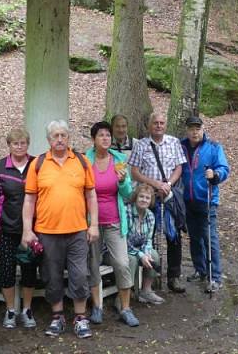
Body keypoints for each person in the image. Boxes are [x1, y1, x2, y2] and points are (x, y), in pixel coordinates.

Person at [21, 120, 99, 339]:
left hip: (77, 231)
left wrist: (93, 225)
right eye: (55, 136)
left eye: (63, 135)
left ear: (68, 137)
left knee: (80, 275)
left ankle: (80, 317)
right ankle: (57, 316)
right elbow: (29, 200)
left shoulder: (82, 162)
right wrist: (28, 230)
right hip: (47, 232)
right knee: (51, 276)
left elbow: (91, 195)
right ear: (48, 140)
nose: (59, 139)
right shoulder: (38, 164)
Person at [84, 121, 138, 327]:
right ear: (94, 139)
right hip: (92, 222)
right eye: (101, 135)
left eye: (108, 135)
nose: (106, 138)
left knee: (122, 263)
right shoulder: (85, 161)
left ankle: (125, 307)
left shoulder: (119, 159)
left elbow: (127, 194)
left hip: (115, 220)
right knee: (93, 263)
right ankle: (96, 306)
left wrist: (123, 181)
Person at [0, 127, 38, 330]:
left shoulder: (36, 165)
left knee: (29, 270)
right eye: (15, 143)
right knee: (6, 270)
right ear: (9, 145)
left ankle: (27, 310)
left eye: (23, 143)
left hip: (32, 230)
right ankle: (10, 310)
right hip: (6, 229)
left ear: (28, 144)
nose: (19, 146)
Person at [128, 112, 187, 293]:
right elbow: (135, 172)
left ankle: (174, 277)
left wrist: (168, 184)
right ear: (149, 125)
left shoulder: (174, 142)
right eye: (155, 123)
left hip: (169, 196)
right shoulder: (141, 145)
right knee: (149, 236)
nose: (159, 126)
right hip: (148, 196)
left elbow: (179, 167)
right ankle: (151, 278)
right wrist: (156, 184)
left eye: (162, 123)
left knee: (173, 236)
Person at [180, 116, 230, 293]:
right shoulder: (181, 146)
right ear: (187, 130)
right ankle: (200, 269)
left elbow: (224, 168)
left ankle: (214, 276)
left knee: (210, 238)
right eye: (192, 128)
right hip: (188, 200)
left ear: (203, 129)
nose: (195, 132)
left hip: (207, 200)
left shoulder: (213, 147)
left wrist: (215, 175)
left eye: (198, 128)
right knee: (194, 238)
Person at [126, 183, 164, 305]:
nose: (144, 200)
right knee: (131, 259)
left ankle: (146, 290)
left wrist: (146, 253)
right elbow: (124, 241)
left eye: (147, 198)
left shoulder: (150, 216)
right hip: (124, 249)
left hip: (139, 248)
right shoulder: (127, 212)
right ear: (136, 197)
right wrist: (140, 255)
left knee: (154, 255)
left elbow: (148, 240)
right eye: (141, 196)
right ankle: (125, 296)